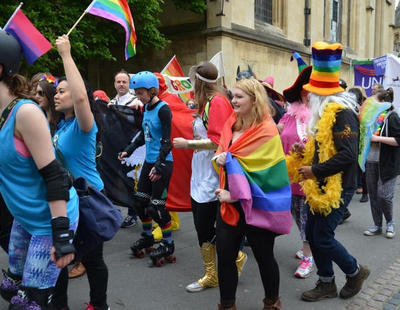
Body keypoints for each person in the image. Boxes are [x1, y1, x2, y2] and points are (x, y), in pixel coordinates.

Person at [0, 29, 79, 309]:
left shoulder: (25, 113)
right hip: (25, 217)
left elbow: (55, 176)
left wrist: (61, 235)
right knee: (11, 290)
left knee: (30, 303)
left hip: (51, 219)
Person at [287, 41, 369, 302]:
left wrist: (315, 169)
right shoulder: (323, 114)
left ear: (321, 95)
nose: (307, 96)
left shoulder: (342, 113)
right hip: (320, 183)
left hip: (339, 185)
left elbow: (347, 154)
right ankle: (326, 283)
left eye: (310, 92)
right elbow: (325, 146)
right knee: (312, 234)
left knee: (322, 237)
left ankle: (355, 272)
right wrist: (305, 152)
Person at [213, 78, 292, 309]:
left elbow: (268, 176)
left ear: (254, 99)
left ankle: (271, 303)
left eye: (239, 97)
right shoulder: (230, 123)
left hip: (257, 205)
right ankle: (227, 305)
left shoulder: (267, 130)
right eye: (233, 96)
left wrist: (235, 193)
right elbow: (224, 154)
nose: (233, 100)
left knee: (264, 256)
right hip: (228, 204)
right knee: (225, 257)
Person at [173, 62, 247, 293]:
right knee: (201, 225)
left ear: (199, 81)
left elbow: (219, 142)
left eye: (193, 79)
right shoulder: (208, 103)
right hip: (201, 169)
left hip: (213, 172)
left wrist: (189, 144)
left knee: (204, 224)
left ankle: (227, 263)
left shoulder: (217, 102)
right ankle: (215, 271)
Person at [52, 35, 109, 310]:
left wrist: (66, 54)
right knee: (61, 259)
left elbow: (81, 98)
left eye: (62, 91)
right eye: (56, 90)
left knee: (93, 260)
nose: (56, 94)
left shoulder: (83, 126)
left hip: (87, 198)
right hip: (64, 200)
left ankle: (99, 305)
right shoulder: (59, 127)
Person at [119, 71, 175, 266]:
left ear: (152, 91)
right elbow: (143, 135)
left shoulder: (163, 110)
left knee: (156, 207)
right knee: (139, 202)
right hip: (150, 162)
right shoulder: (146, 109)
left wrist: (159, 166)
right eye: (136, 93)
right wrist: (128, 150)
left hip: (163, 162)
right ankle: (148, 236)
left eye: (141, 93)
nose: (139, 97)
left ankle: (168, 243)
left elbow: (168, 142)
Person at [279, 65, 313, 278]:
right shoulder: (289, 115)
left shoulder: (320, 117)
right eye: (307, 89)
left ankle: (309, 257)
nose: (309, 94)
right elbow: (277, 132)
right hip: (289, 176)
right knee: (297, 215)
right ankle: (306, 244)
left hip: (310, 177)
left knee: (307, 219)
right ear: (301, 92)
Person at [363, 88, 400, 238]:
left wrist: (378, 139)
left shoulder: (393, 117)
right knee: (373, 195)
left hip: (388, 163)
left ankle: (390, 222)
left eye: (375, 101)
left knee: (384, 195)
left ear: (384, 103)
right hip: (370, 160)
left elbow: (398, 140)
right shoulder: (371, 117)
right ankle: (377, 224)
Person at [109, 70, 140, 228]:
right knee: (117, 179)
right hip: (115, 146)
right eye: (118, 82)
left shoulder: (136, 102)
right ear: (114, 84)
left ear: (129, 84)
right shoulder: (111, 103)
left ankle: (133, 213)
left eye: (124, 82)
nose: (121, 84)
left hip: (131, 148)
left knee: (131, 181)